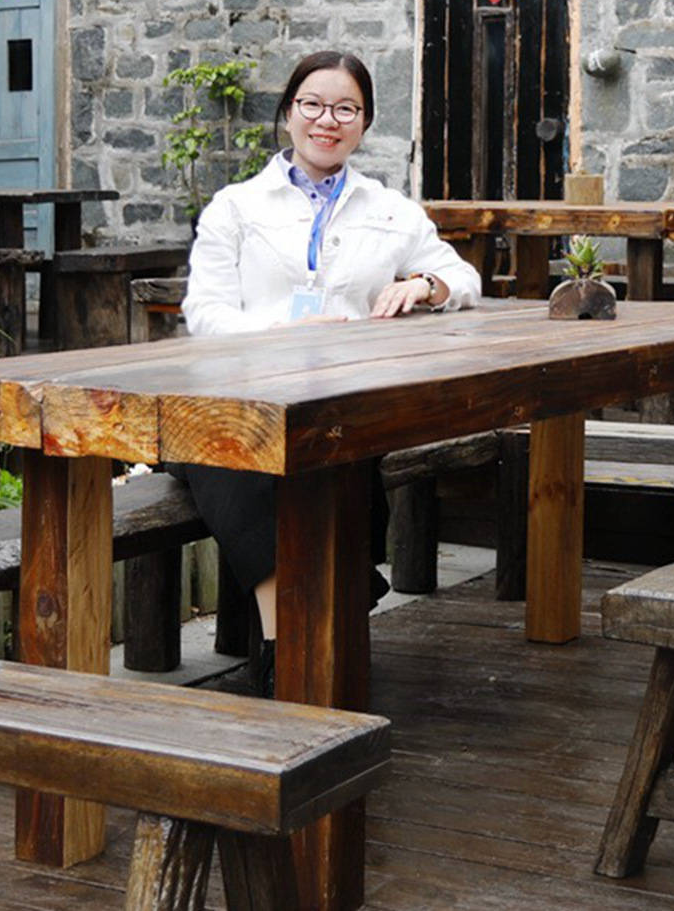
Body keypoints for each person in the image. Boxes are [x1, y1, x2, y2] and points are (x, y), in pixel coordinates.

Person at [172, 48, 482, 688]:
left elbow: (463, 277)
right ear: (289, 113)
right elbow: (204, 312)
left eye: (346, 109)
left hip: (340, 405)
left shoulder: (388, 208)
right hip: (240, 393)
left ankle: (299, 638)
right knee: (236, 455)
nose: (327, 120)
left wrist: (423, 285)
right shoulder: (235, 205)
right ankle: (286, 644)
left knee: (327, 458)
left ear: (364, 122)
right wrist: (278, 335)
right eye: (313, 104)